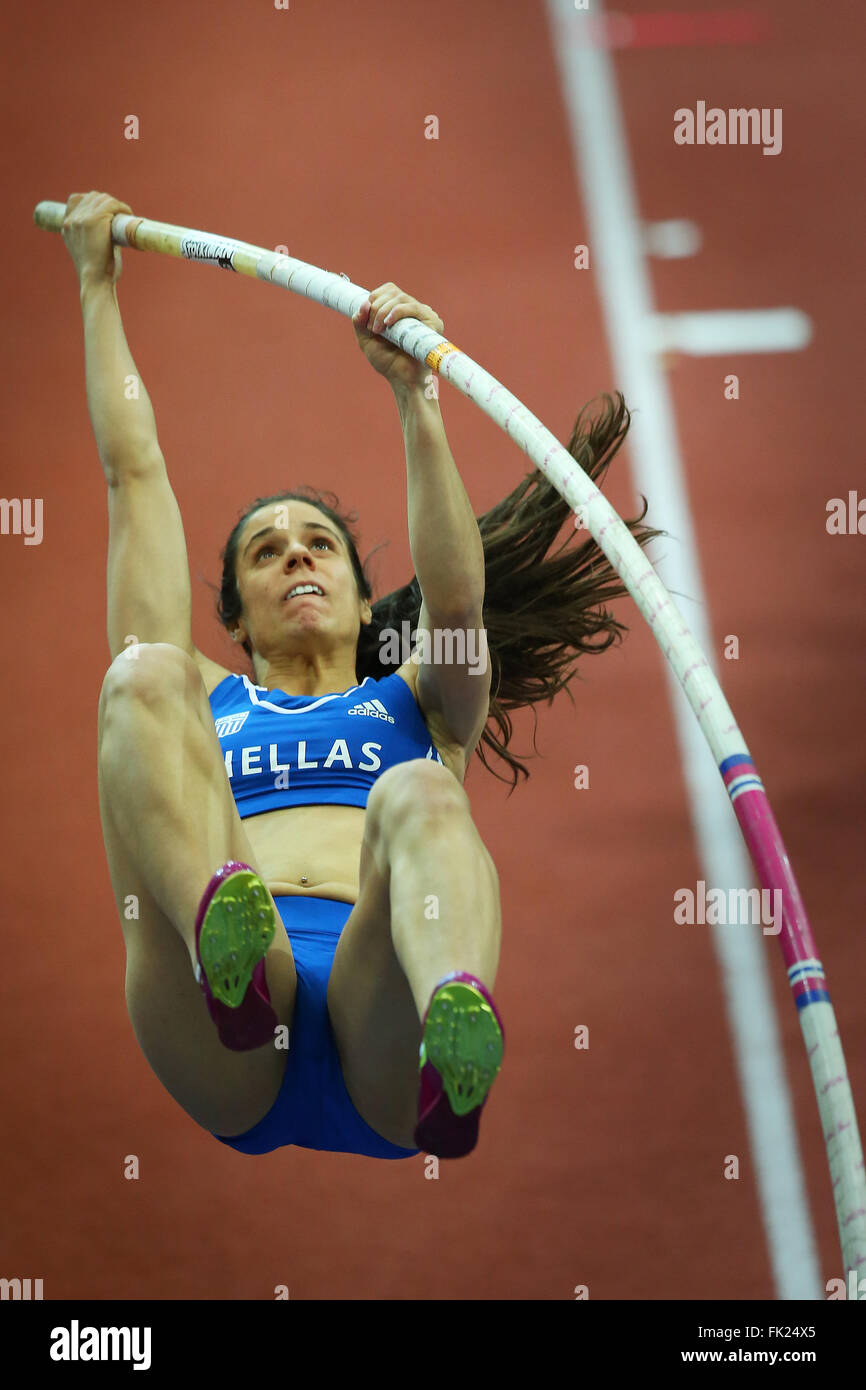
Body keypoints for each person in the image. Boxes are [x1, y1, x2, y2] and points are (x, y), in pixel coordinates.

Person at [64, 190, 662, 1162]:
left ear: (359, 587)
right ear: (234, 613)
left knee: (421, 788)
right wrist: (96, 283)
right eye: (265, 552)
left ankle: (454, 1024)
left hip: (375, 1001)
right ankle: (225, 940)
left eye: (319, 545)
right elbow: (133, 476)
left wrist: (412, 393)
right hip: (226, 1032)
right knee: (136, 676)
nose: (296, 557)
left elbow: (457, 607)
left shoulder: (420, 700)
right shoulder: (204, 701)